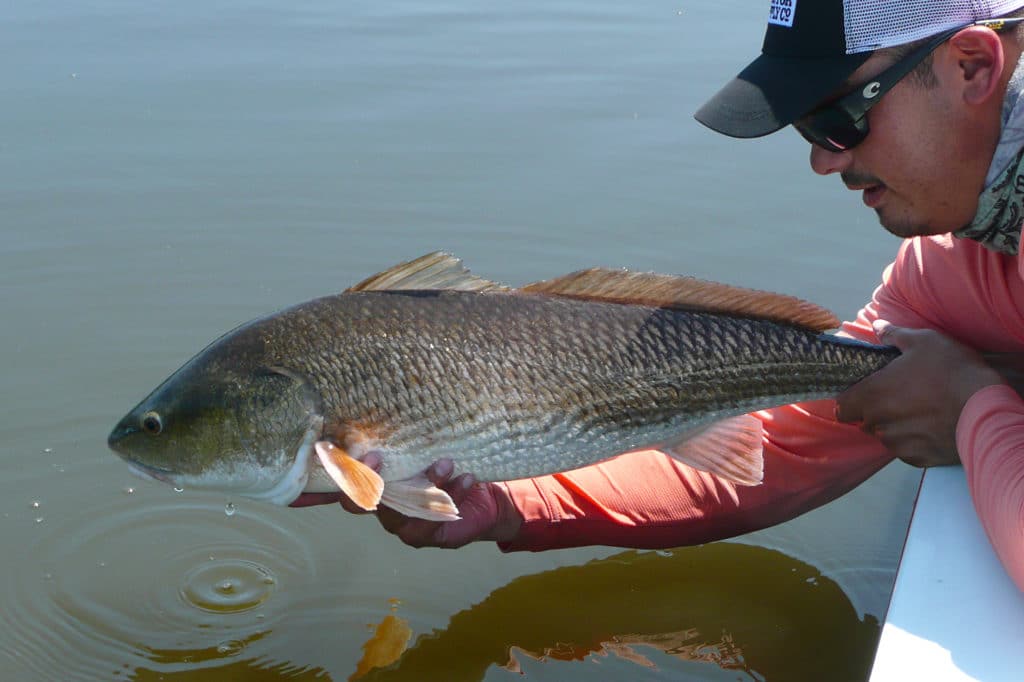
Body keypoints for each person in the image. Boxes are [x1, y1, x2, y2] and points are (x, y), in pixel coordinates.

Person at [295, 0, 1024, 592]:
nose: (822, 158)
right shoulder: (939, 273)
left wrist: (969, 406)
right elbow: (784, 447)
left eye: (838, 115)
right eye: (806, 126)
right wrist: (511, 505)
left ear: (972, 66)